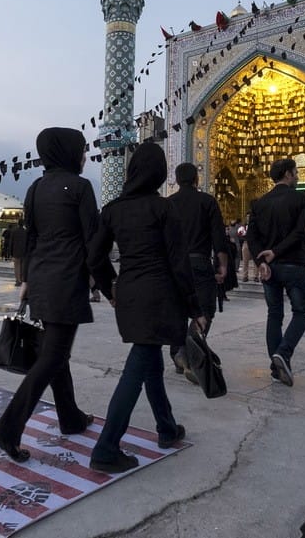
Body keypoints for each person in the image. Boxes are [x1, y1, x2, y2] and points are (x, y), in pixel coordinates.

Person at [0, 127, 113, 463]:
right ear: (68, 152)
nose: (85, 157)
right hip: (66, 280)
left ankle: (70, 417)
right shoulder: (80, 187)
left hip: (42, 279)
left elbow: (31, 239)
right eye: (82, 151)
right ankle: (8, 428)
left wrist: (27, 280)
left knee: (56, 353)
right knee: (53, 357)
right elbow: (93, 241)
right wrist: (108, 285)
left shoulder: (36, 188)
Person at [87, 143, 204, 473]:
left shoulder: (113, 210)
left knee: (150, 361)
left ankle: (167, 428)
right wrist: (195, 307)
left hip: (129, 294)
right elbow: (179, 263)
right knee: (138, 366)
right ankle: (106, 447)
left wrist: (110, 287)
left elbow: (94, 257)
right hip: (160, 295)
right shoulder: (163, 209)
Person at [246, 158, 305, 387]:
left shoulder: (259, 203)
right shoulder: (302, 199)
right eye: (296, 172)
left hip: (269, 268)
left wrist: (260, 261)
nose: (297, 176)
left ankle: (277, 370)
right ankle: (283, 353)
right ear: (287, 174)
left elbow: (251, 237)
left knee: (274, 314)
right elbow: (299, 233)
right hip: (292, 265)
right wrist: (276, 252)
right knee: (302, 312)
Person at [167, 162, 228, 381]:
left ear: (176, 180)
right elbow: (218, 237)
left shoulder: (168, 204)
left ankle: (179, 354)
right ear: (196, 179)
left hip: (174, 265)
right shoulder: (207, 202)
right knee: (205, 310)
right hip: (199, 263)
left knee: (177, 310)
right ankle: (190, 351)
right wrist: (223, 266)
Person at [8, 222, 28, 286]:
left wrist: (10, 253)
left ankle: (18, 281)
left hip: (16, 252)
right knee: (23, 266)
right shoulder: (26, 232)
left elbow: (11, 242)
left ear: (18, 224)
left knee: (17, 267)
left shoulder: (14, 231)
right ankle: (22, 279)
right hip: (24, 252)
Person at [239, 213, 255, 281]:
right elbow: (240, 235)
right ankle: (245, 276)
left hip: (254, 243)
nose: (248, 218)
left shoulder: (255, 224)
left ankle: (256, 276)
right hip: (246, 243)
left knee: (255, 261)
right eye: (247, 217)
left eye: (250, 216)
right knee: (245, 261)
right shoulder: (243, 226)